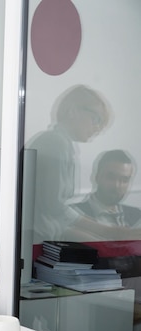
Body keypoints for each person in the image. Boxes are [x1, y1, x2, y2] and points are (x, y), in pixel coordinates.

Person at [26, 85, 140, 242]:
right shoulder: (55, 143)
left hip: (39, 237)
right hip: (31, 240)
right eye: (96, 119)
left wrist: (108, 239)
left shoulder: (62, 144)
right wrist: (108, 232)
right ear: (72, 111)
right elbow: (53, 208)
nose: (98, 128)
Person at [72, 149, 141, 231]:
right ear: (97, 177)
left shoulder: (137, 216)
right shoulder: (73, 213)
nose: (117, 186)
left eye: (124, 180)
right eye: (111, 177)